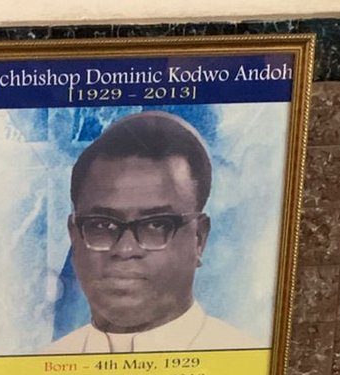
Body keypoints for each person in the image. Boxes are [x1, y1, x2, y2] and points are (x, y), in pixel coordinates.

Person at [48, 111, 260, 354]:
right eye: (102, 225)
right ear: (74, 237)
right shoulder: (41, 368)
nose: (126, 250)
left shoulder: (243, 360)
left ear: (199, 239)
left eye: (156, 225)